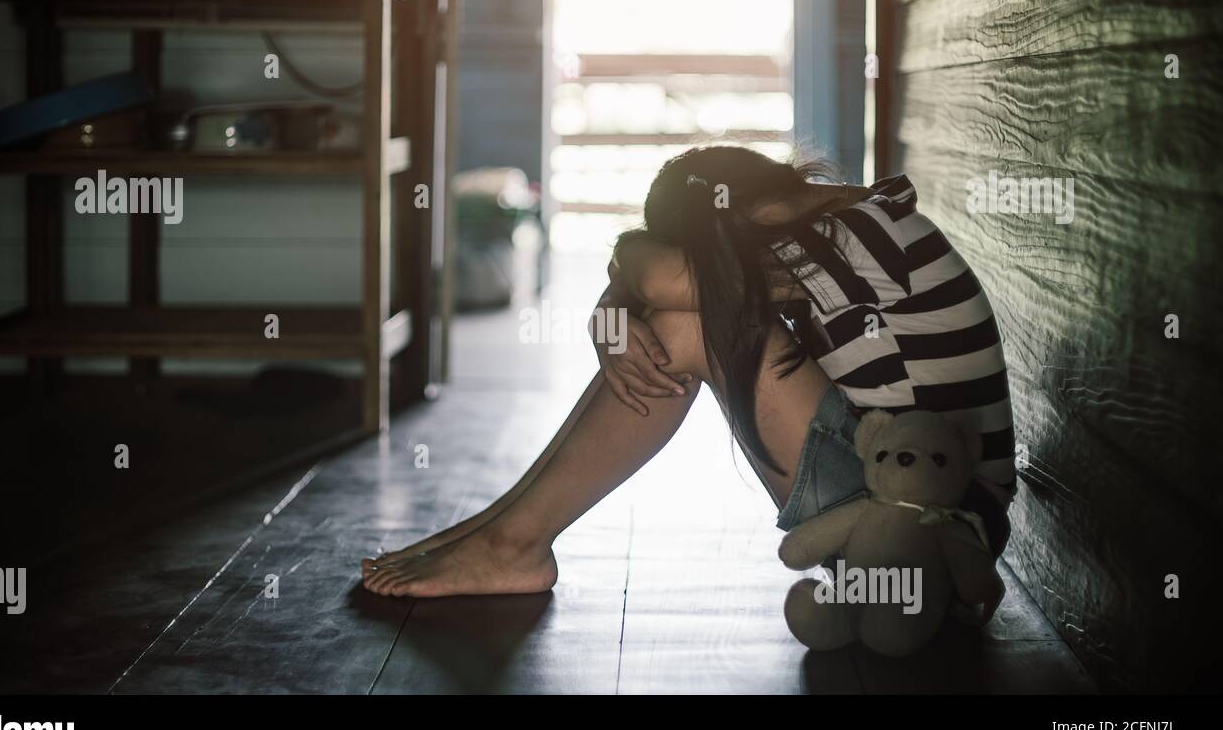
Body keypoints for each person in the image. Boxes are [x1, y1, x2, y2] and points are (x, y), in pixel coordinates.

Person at [362, 145, 1015, 598]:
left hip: (934, 539)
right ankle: (499, 530)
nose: (728, 254)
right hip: (889, 512)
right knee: (679, 316)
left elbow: (657, 276)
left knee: (686, 326)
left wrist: (617, 292)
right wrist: (613, 314)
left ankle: (510, 543)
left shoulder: (855, 236)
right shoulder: (837, 227)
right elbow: (661, 280)